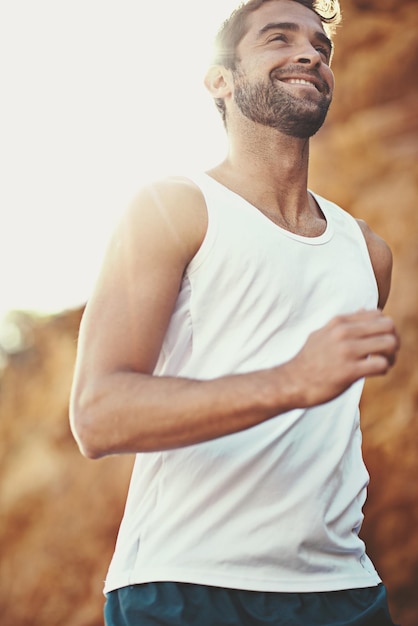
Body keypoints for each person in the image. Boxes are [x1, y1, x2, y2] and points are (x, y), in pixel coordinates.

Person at [70, 1, 401, 624]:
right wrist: (291, 381)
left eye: (320, 49)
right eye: (279, 39)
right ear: (219, 79)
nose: (309, 55)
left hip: (344, 590)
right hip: (186, 586)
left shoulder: (368, 253)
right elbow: (98, 415)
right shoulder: (174, 206)